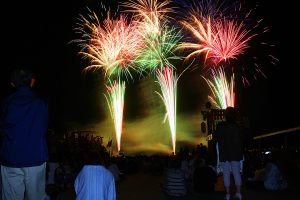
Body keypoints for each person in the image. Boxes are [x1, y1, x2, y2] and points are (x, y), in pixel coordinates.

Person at [0, 68, 49, 200]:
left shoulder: (7, 102)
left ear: (12, 84)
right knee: (36, 197)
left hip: (11, 157)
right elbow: (43, 127)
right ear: (31, 82)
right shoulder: (40, 103)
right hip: (35, 157)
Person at [213, 107, 243, 200]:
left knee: (226, 174)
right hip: (235, 153)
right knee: (236, 173)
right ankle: (238, 193)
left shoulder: (220, 126)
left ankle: (228, 194)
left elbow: (215, 138)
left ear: (225, 115)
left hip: (224, 153)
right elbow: (241, 139)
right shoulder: (237, 126)